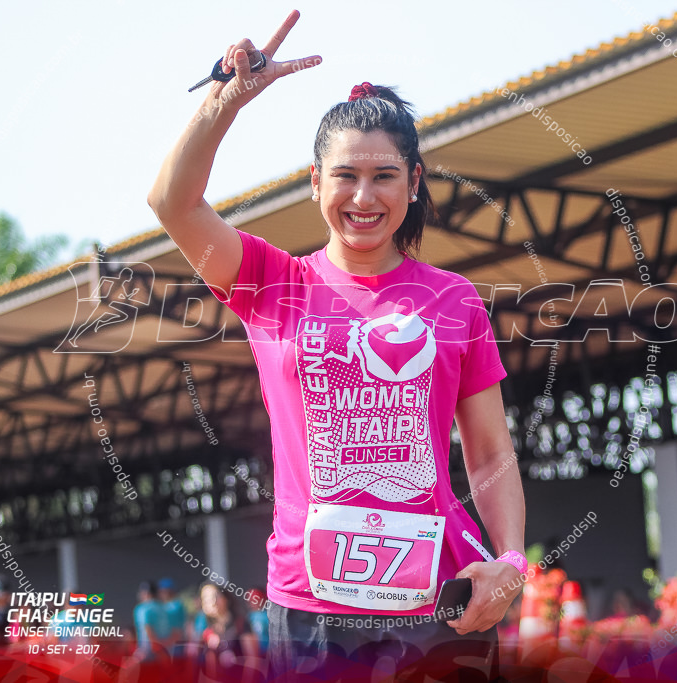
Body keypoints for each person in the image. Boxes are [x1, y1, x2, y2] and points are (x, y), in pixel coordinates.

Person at [148, 10, 526, 681]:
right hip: (310, 606)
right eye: (345, 175)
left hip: (437, 602)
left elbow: (491, 452)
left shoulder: (456, 301)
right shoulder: (270, 281)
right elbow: (173, 202)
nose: (363, 196)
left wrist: (512, 562)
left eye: (384, 176)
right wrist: (226, 99)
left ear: (413, 183)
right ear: (314, 182)